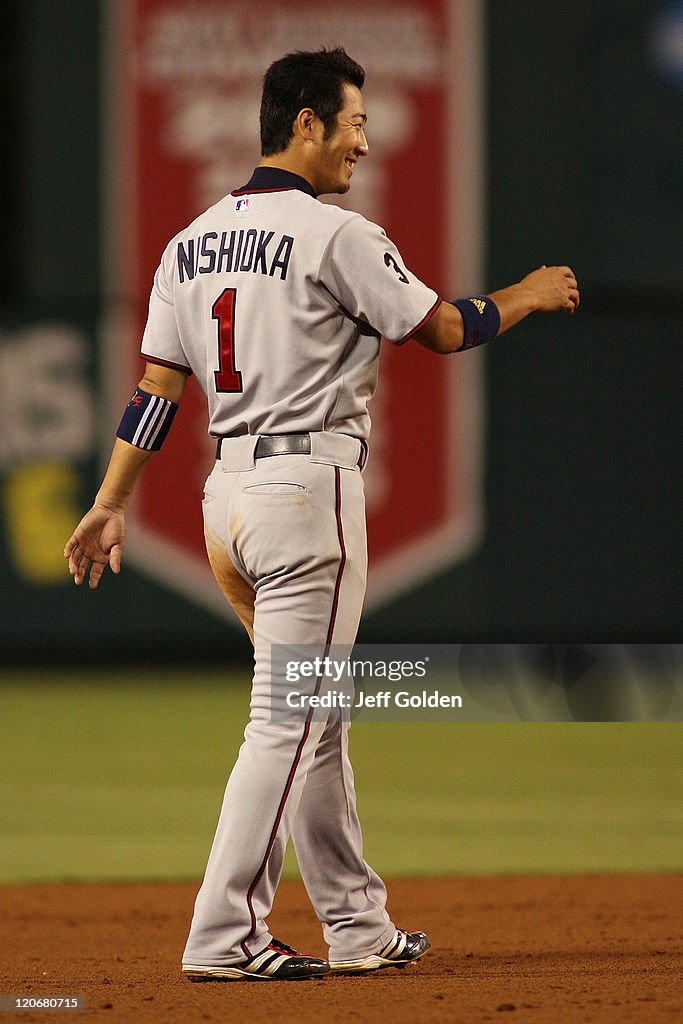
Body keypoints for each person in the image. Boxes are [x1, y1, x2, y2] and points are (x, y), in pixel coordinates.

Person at [64, 47, 579, 982]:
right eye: (352, 124)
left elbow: (155, 388)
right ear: (304, 122)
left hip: (225, 504)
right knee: (289, 719)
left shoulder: (190, 241)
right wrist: (530, 294)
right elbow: (444, 328)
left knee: (316, 717)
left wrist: (109, 501)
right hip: (305, 498)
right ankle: (225, 934)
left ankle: (356, 926)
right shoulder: (336, 235)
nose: (363, 144)